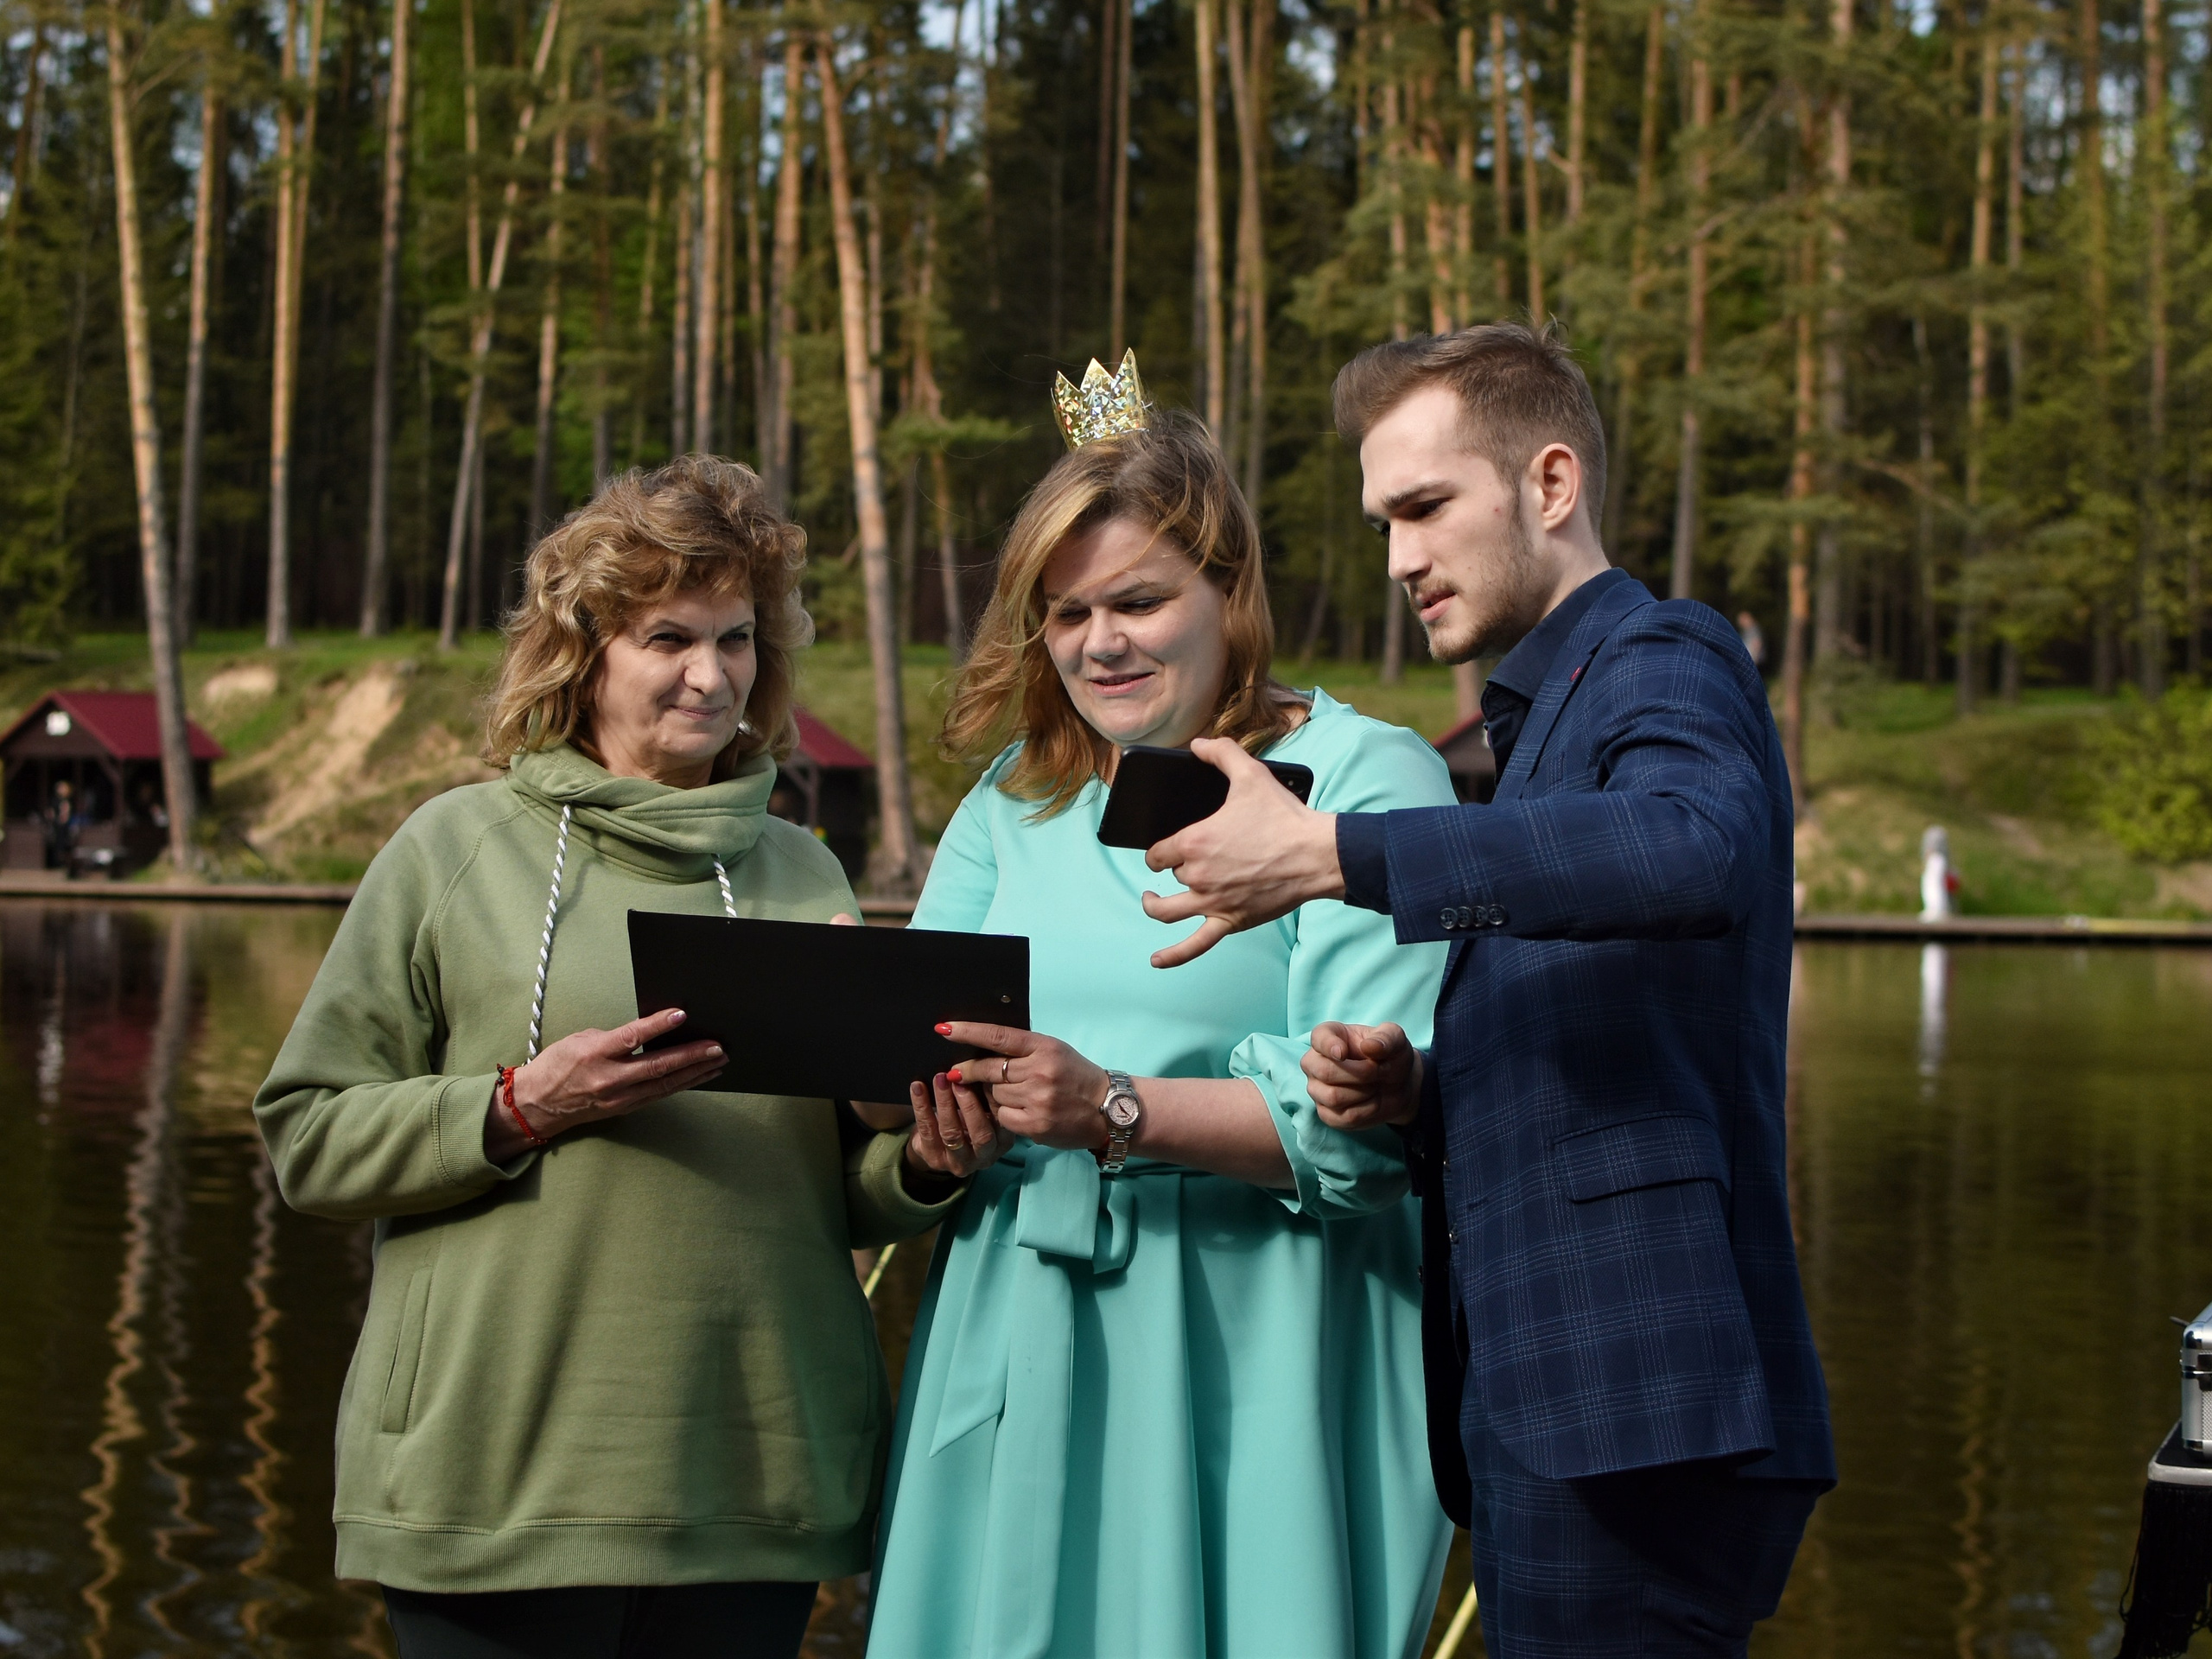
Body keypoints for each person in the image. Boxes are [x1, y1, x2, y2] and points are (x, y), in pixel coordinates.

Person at [1139, 325, 1836, 1658]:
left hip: (1635, 1403)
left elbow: (1695, 846)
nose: (1399, 557)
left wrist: (1338, 852)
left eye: (1424, 508)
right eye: (1382, 521)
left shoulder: (1662, 653)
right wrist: (1416, 1094)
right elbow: (1610, 1019)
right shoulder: (1545, 721)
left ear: (1551, 485)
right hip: (1557, 1401)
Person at [253, 456, 972, 1659]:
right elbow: (308, 1139)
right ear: (585, 648)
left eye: (738, 638)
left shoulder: (805, 873)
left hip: (754, 1484)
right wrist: (518, 1106)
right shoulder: (452, 851)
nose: (711, 674)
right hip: (492, 1484)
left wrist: (920, 1154)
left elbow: (836, 1195)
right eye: (668, 637)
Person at [864, 378, 1457, 1659]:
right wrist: (911, 1113)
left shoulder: (1364, 780)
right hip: (1017, 1334)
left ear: (1229, 594)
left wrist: (1109, 1109)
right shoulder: (1011, 799)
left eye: (1138, 602)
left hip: (1256, 1346)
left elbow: (1361, 1141)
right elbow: (910, 1040)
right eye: (1066, 612)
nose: (1100, 643)